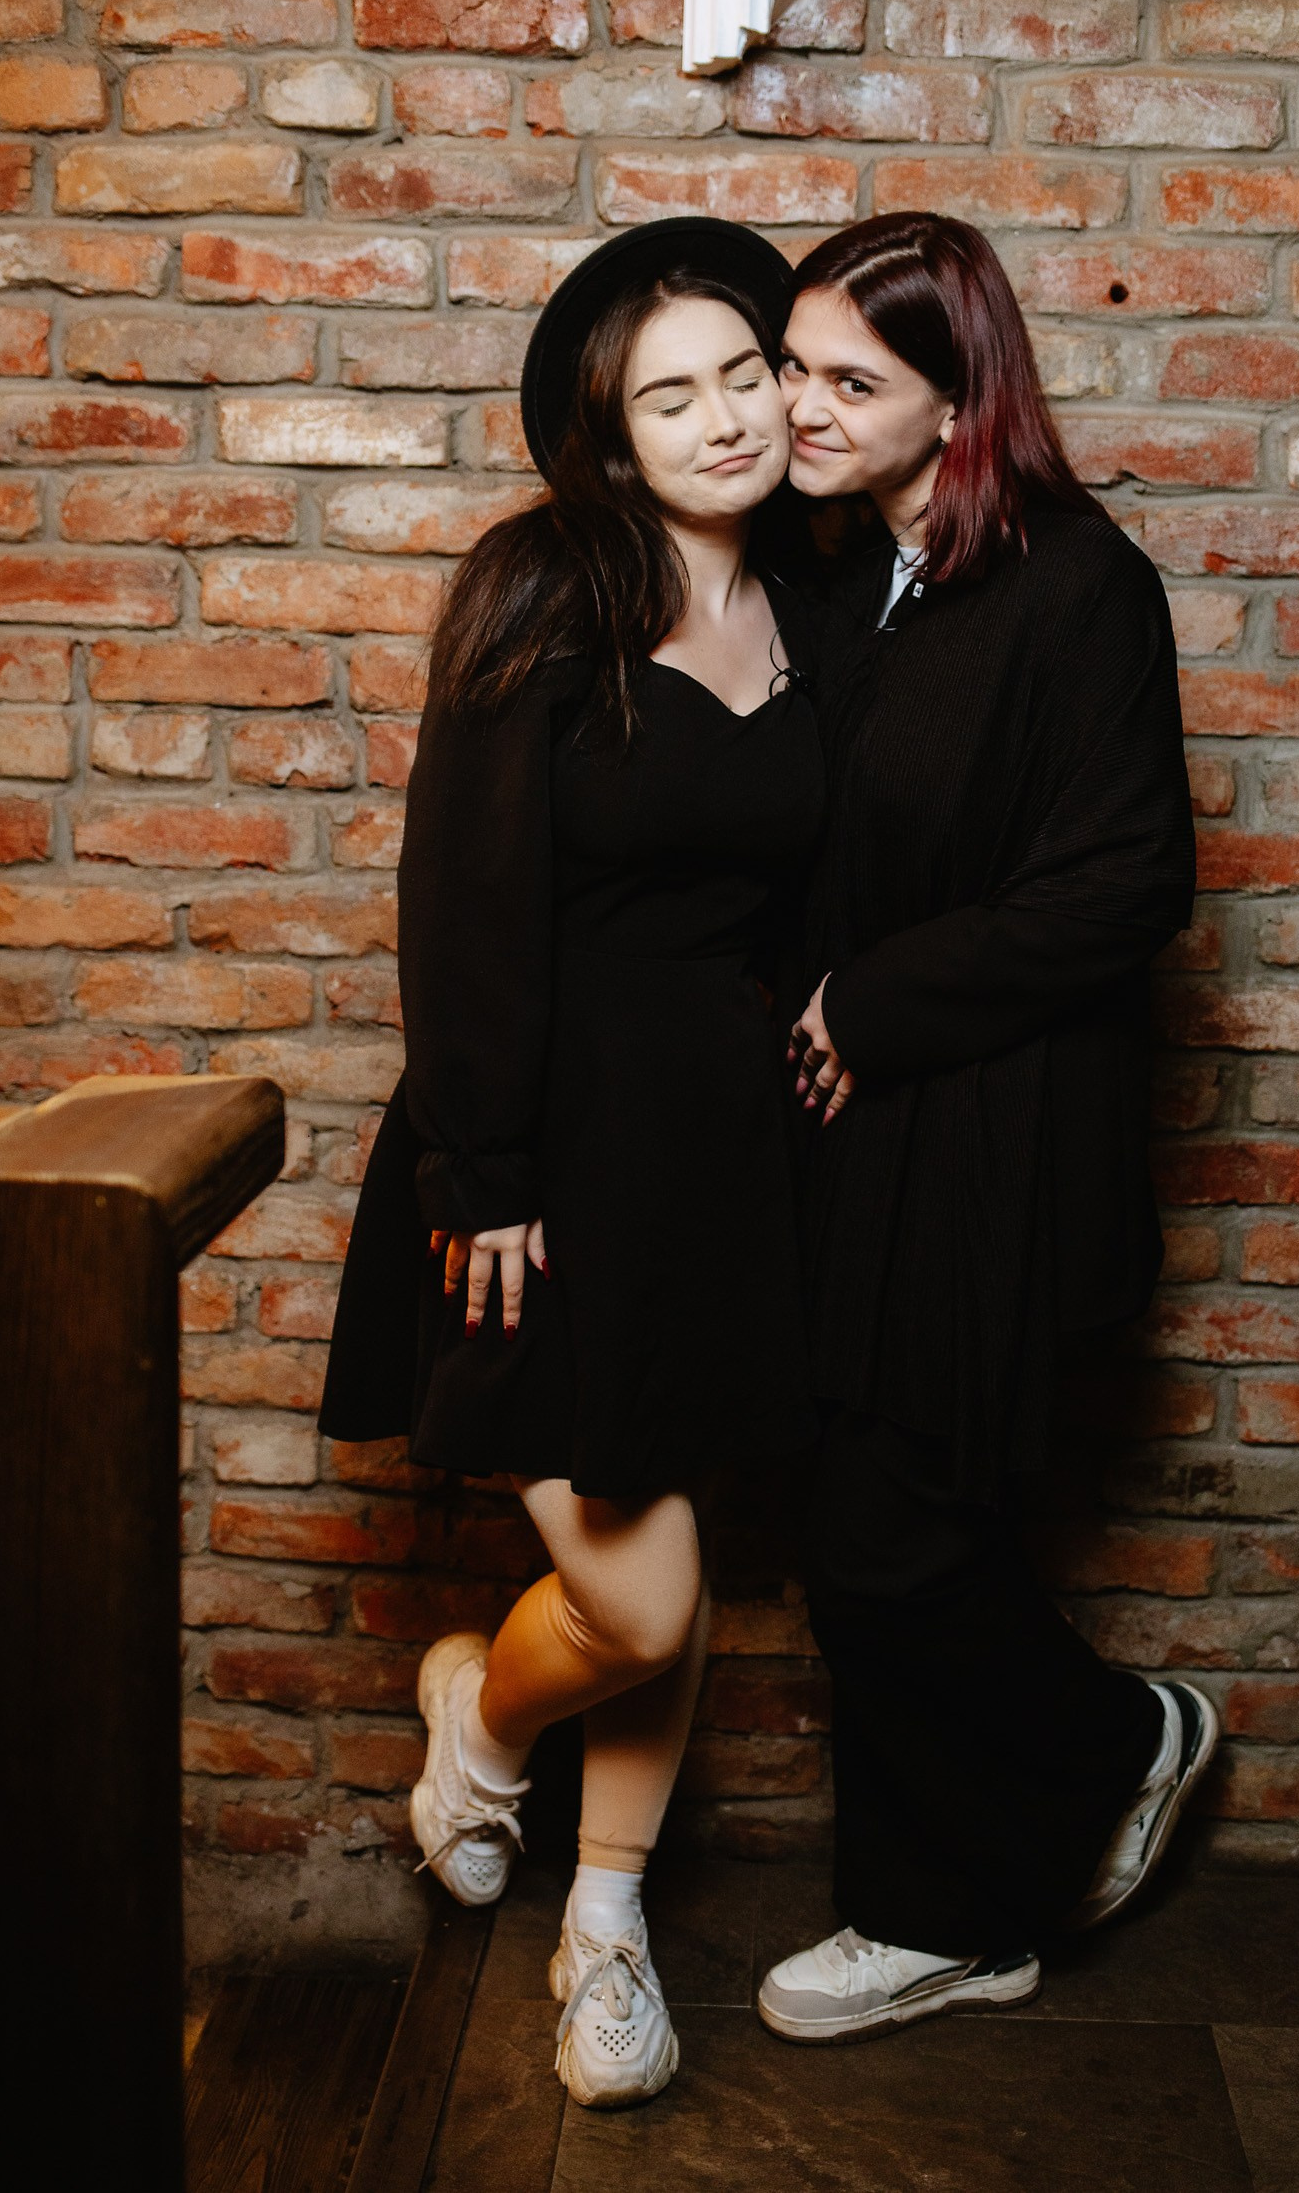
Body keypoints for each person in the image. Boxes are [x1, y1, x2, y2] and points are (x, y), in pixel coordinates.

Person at [319, 218, 823, 2109]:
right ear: (611, 435)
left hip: (723, 1160)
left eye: (746, 374)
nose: (723, 419)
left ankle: (604, 1924)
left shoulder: (820, 606)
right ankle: (478, 1721)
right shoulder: (542, 587)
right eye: (669, 396)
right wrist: (484, 1169)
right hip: (546, 1154)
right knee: (641, 1595)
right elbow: (459, 894)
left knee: (668, 1514)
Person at [755, 211, 1213, 2045]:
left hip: (994, 1145)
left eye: (848, 381)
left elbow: (1129, 880)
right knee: (867, 1524)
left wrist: (871, 1004)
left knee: (892, 1530)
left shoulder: (1080, 586)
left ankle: (1051, 1807)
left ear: (959, 406)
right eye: (792, 367)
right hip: (862, 1148)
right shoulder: (842, 575)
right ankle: (986, 1889)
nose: (800, 406)